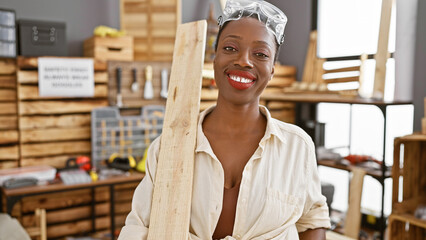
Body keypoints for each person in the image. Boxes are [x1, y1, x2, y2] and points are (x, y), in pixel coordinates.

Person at [118, 0, 330, 239]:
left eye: (260, 54)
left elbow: (312, 220)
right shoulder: (168, 148)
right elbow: (138, 229)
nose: (244, 61)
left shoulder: (297, 147)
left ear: (272, 69)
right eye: (230, 48)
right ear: (214, 59)